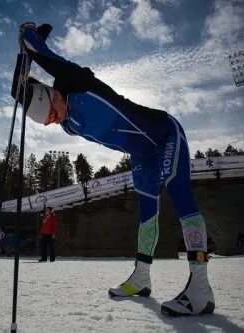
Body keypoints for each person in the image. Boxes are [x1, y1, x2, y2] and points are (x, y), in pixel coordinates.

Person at [17, 23, 215, 316]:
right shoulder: (70, 124)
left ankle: (201, 288)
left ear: (55, 94)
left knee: (178, 190)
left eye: (52, 114)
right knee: (147, 215)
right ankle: (142, 277)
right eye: (47, 122)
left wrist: (30, 38)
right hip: (142, 155)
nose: (55, 121)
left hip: (165, 133)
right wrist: (22, 78)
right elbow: (29, 88)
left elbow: (40, 52)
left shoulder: (77, 82)